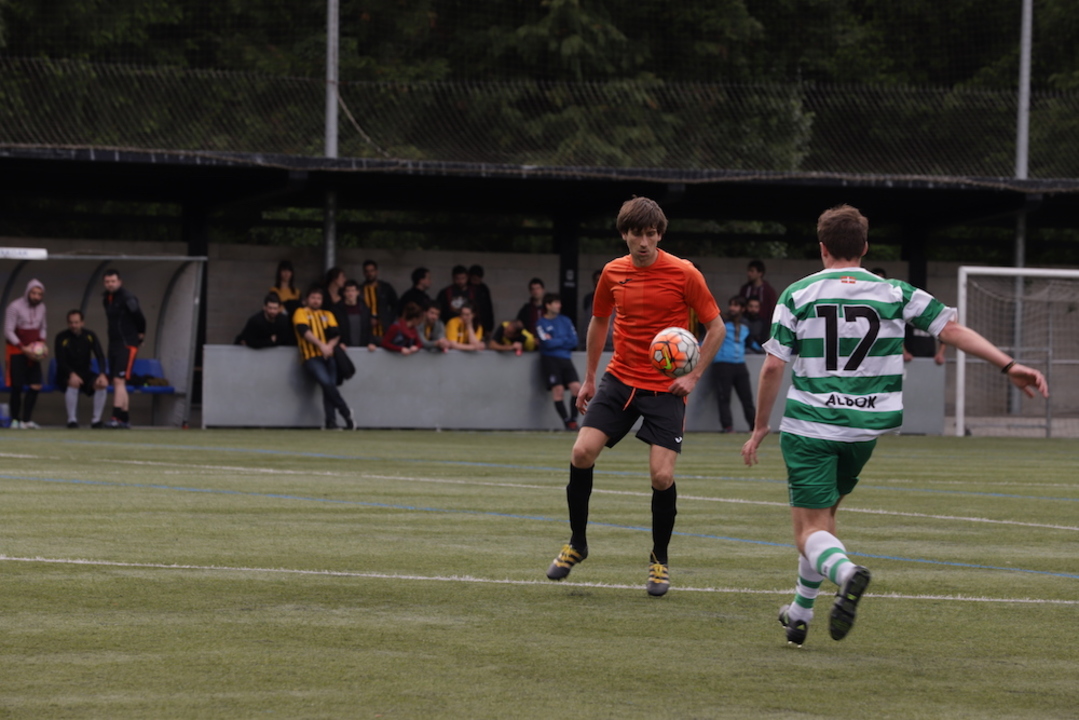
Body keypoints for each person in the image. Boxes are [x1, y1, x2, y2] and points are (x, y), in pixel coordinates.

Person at [741, 204, 1048, 647]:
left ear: (822, 248)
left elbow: (773, 367)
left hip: (811, 428)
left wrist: (759, 427)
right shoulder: (894, 292)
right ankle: (800, 612)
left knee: (808, 532)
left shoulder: (798, 294)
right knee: (825, 521)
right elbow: (950, 330)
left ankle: (847, 573)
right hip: (863, 432)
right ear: (865, 247)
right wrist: (1009, 365)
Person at [545, 196, 724, 597]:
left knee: (662, 476)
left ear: (660, 235)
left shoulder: (684, 273)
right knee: (581, 452)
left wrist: (693, 376)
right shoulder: (612, 272)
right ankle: (577, 543)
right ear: (624, 234)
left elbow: (717, 328)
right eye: (636, 234)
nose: (644, 242)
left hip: (666, 387)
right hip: (620, 379)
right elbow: (599, 321)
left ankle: (659, 560)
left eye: (651, 234)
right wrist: (589, 378)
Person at [292, 286, 355, 430]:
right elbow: (304, 331)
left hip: (328, 355)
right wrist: (321, 345)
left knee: (329, 387)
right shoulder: (300, 312)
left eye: (319, 298)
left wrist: (328, 346)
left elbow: (336, 333)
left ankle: (331, 422)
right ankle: (345, 411)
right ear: (307, 299)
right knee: (326, 383)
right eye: (313, 298)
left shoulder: (327, 314)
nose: (316, 301)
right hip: (311, 356)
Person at [103, 269, 145, 429]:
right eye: (107, 282)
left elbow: (139, 317)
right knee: (119, 381)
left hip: (127, 343)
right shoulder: (106, 298)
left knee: (118, 380)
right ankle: (124, 418)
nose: (110, 284)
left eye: (113, 281)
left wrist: (140, 335)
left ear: (119, 282)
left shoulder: (127, 298)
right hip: (114, 343)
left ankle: (115, 416)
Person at [54, 309, 109, 428]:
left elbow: (100, 356)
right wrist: (71, 374)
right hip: (65, 373)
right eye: (71, 323)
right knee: (74, 382)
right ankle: (72, 420)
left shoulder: (90, 335)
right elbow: (60, 361)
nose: (74, 325)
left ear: (82, 323)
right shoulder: (61, 337)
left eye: (76, 322)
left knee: (101, 384)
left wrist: (102, 374)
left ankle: (96, 420)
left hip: (84, 372)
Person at [4, 278, 47, 429]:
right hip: (17, 350)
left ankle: (26, 420)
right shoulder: (14, 307)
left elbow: (43, 327)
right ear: (28, 292)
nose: (36, 297)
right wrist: (23, 347)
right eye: (34, 293)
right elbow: (8, 330)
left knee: (36, 385)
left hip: (34, 352)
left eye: (39, 294)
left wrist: (41, 343)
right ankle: (15, 420)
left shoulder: (42, 307)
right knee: (17, 386)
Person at [535, 292, 581, 430]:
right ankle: (566, 422)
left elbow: (574, 341)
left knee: (577, 388)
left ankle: (573, 420)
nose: (559, 305)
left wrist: (556, 340)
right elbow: (546, 343)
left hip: (566, 358)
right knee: (558, 390)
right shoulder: (541, 323)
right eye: (555, 303)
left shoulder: (565, 320)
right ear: (548, 305)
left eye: (559, 303)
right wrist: (563, 340)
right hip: (550, 360)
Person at [712, 296, 757, 434]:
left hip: (740, 364)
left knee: (747, 397)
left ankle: (754, 427)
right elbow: (709, 337)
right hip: (723, 363)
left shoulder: (746, 324)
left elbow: (751, 343)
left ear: (742, 308)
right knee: (724, 397)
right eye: (731, 305)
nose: (732, 308)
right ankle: (728, 427)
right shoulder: (722, 321)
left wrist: (765, 349)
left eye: (736, 305)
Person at [361, 259, 398, 344]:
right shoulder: (360, 290)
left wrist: (389, 319)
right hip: (367, 331)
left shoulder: (386, 288)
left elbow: (396, 305)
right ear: (364, 273)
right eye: (367, 271)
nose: (369, 274)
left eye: (372, 271)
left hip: (384, 330)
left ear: (376, 272)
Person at [332, 280, 375, 350]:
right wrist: (339, 343)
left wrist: (371, 342)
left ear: (358, 292)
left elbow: (368, 328)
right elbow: (335, 329)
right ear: (344, 293)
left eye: (353, 291)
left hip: (362, 347)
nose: (350, 293)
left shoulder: (364, 309)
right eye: (348, 291)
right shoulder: (337, 309)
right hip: (344, 347)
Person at [740, 259, 779, 326]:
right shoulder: (745, 289)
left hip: (763, 325)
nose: (749, 274)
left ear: (760, 273)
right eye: (748, 271)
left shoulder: (768, 291)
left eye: (752, 271)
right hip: (745, 323)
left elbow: (772, 309)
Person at [469, 264, 495, 335]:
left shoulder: (483, 289)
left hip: (482, 323)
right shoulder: (467, 288)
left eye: (478, 279)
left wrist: (489, 328)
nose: (476, 281)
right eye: (474, 279)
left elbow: (488, 309)